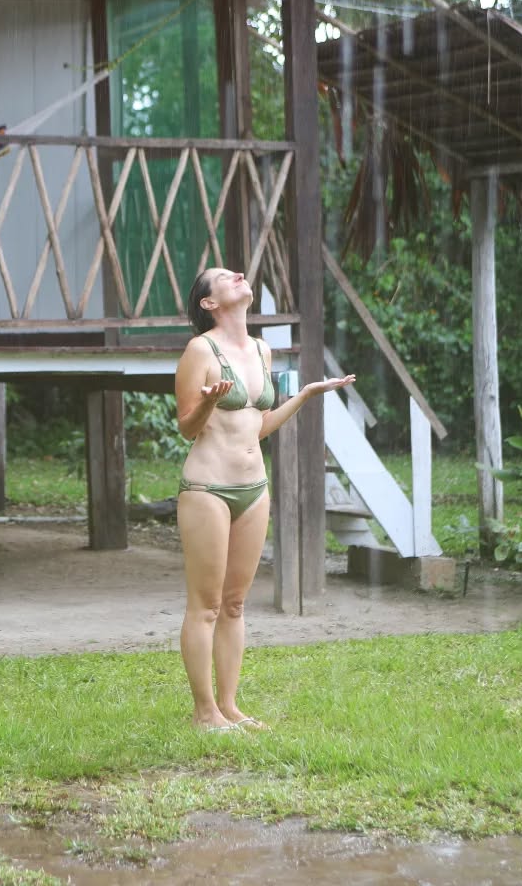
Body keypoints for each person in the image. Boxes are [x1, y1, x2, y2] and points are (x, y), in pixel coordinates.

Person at [174, 267, 355, 732]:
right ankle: (204, 712)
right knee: (206, 605)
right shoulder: (200, 350)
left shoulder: (260, 349)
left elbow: (260, 423)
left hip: (254, 488)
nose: (237, 274)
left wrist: (306, 396)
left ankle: (230, 707)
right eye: (222, 277)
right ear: (208, 303)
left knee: (235, 604)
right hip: (207, 488)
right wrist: (210, 402)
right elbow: (188, 428)